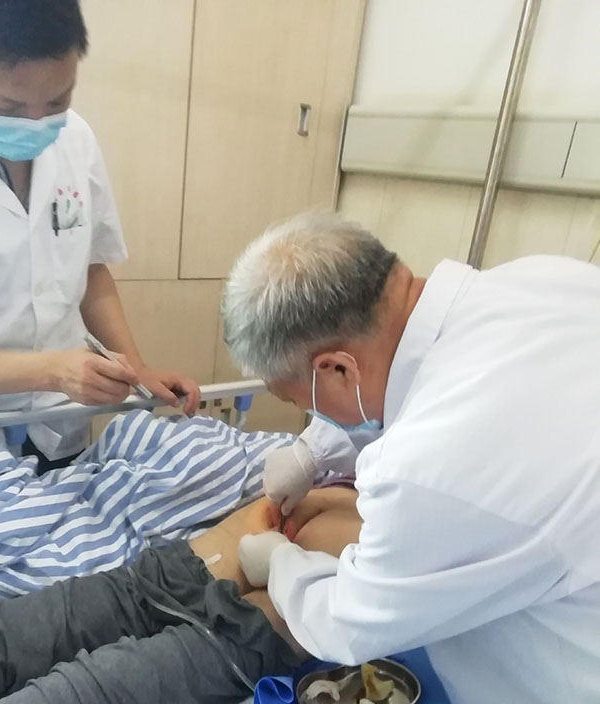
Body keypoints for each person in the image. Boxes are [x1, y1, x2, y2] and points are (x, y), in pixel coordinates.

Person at [221, 212, 600, 704]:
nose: (311, 415)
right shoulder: (546, 277)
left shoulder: (420, 470)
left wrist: (280, 564)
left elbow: (349, 622)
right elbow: (411, 387)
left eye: (299, 401)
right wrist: (313, 450)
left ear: (336, 369)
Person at [0, 0, 200, 472]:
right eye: (7, 106)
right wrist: (51, 371)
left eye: (58, 100)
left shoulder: (74, 138)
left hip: (61, 428)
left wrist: (136, 369)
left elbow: (91, 270)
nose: (37, 123)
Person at [0, 487, 361, 704]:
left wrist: (286, 556)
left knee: (115, 674)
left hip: (261, 625)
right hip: (183, 574)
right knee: (112, 601)